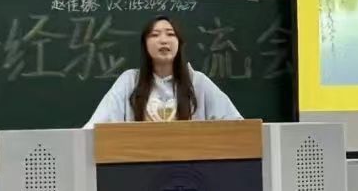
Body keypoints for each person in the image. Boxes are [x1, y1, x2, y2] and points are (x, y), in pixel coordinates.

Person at [83, 15, 243, 126]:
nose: (163, 40)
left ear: (179, 43)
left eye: (170, 34)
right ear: (145, 44)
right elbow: (97, 125)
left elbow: (236, 125)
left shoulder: (197, 82)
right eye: (155, 35)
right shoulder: (130, 81)